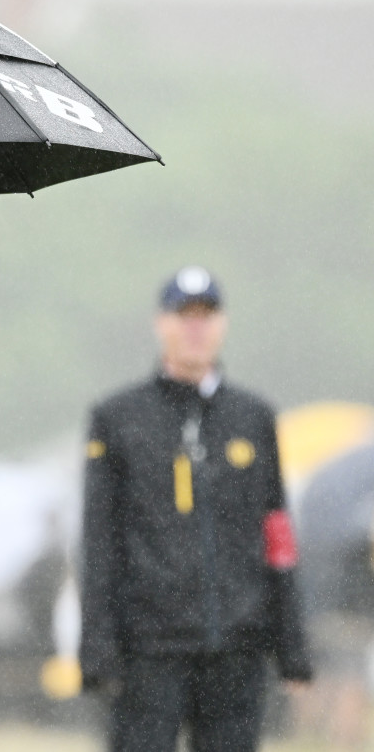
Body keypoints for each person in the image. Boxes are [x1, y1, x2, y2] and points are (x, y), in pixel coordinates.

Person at [78, 266, 313, 752]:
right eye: (184, 316)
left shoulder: (253, 418)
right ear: (160, 324)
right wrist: (96, 644)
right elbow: (100, 540)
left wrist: (292, 643)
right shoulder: (118, 419)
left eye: (206, 316)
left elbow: (277, 530)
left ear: (223, 324)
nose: (195, 328)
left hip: (237, 646)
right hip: (149, 647)